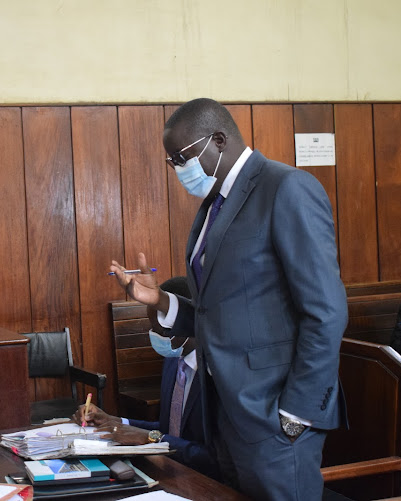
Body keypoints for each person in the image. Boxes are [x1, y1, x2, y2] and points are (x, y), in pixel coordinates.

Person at [109, 98, 348, 500]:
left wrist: (295, 414)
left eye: (181, 157)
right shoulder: (213, 206)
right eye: (172, 162)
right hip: (224, 414)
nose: (179, 169)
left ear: (218, 140)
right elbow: (220, 311)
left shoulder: (286, 187)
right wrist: (161, 302)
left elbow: (325, 311)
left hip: (274, 416)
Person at [74, 277, 219, 478]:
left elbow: (217, 459)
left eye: (160, 329)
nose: (154, 334)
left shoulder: (218, 376)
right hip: (171, 468)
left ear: (187, 322)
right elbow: (170, 429)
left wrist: (152, 439)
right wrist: (115, 421)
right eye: (151, 326)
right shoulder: (173, 361)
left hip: (206, 481)